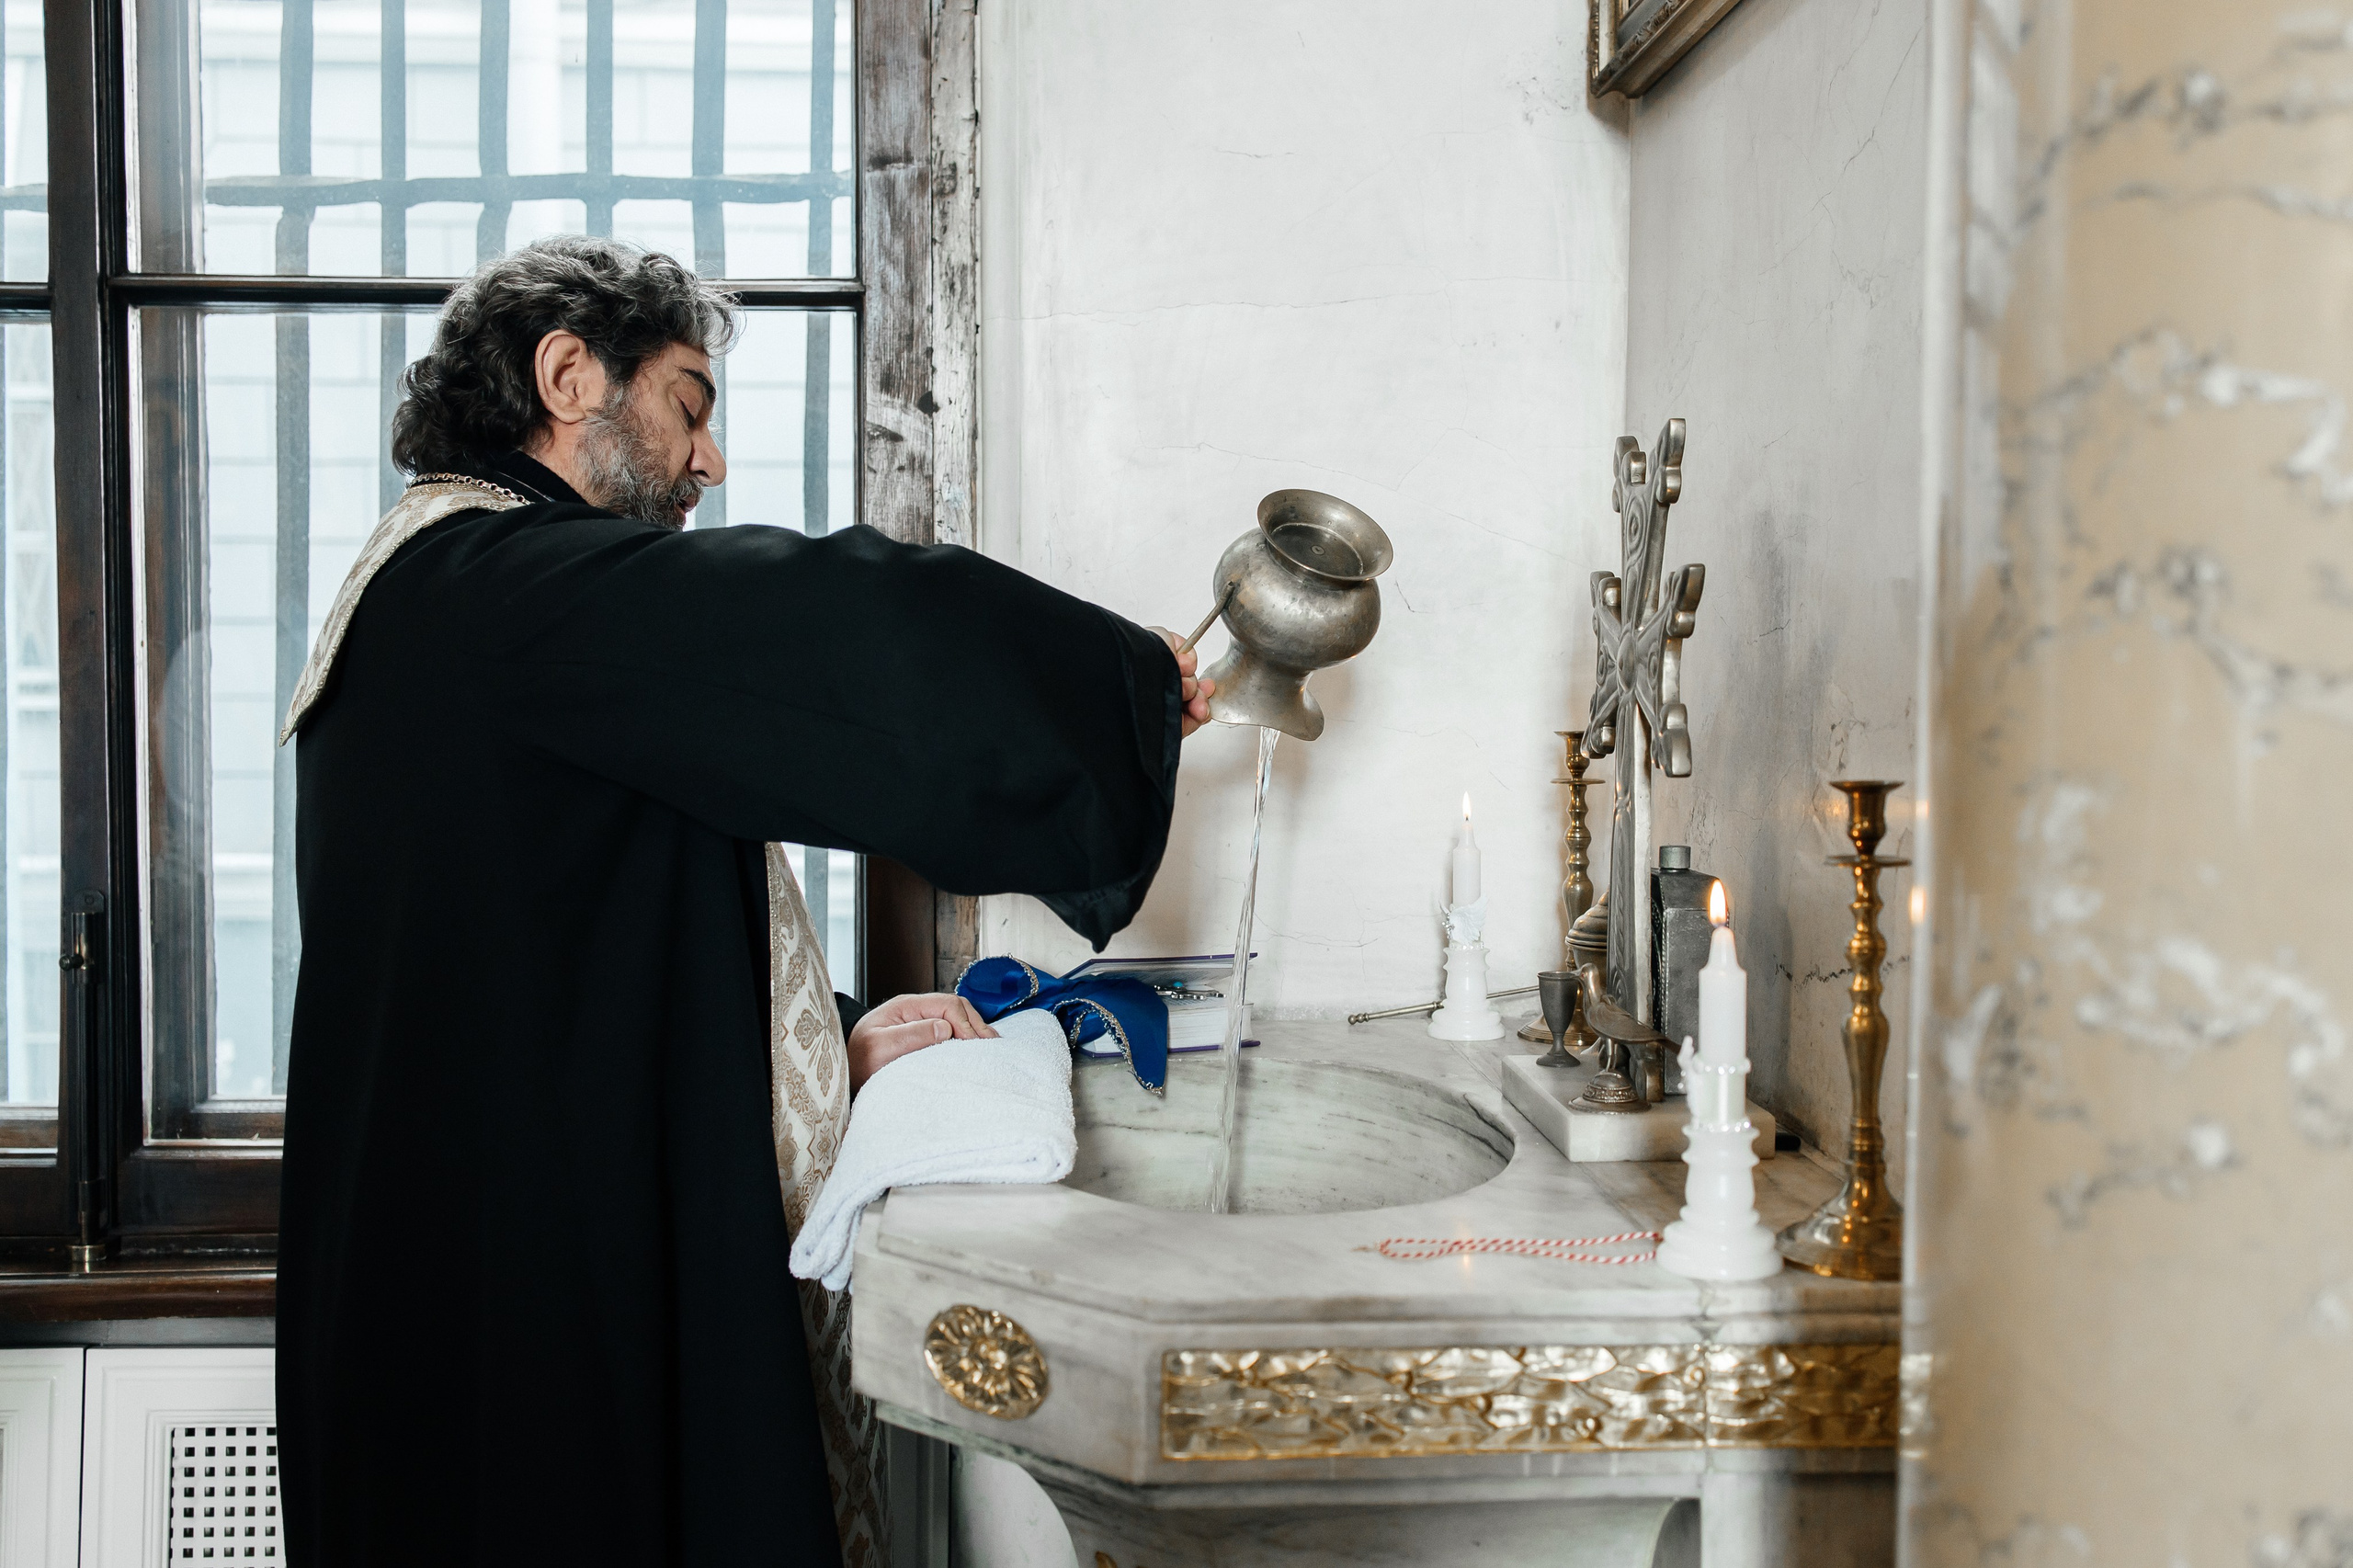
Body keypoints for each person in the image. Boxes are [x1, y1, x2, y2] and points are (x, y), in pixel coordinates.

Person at [276, 235, 1212, 1565]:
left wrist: (823, 1037)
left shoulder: (432, 599)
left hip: (449, 1286)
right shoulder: (504, 592)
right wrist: (1112, 690)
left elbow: (564, 945)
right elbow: (827, 632)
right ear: (566, 377)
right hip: (528, 1321)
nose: (707, 462)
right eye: (688, 405)